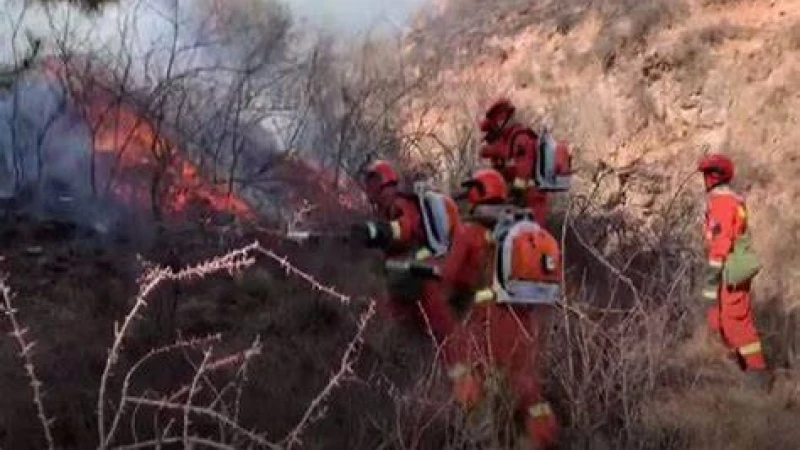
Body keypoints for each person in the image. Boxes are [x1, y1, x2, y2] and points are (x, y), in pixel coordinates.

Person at [409, 167, 561, 449]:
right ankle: (541, 438)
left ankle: (483, 441)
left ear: (479, 193)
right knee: (529, 391)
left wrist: (426, 272)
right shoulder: (516, 226)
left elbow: (449, 278)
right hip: (525, 324)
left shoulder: (470, 232)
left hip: (488, 324)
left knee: (469, 385)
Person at [348, 159, 465, 370]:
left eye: (371, 182)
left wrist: (375, 232)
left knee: (443, 337)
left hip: (426, 282)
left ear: (381, 183)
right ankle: (409, 373)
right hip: (407, 282)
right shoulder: (384, 208)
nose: (368, 189)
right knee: (403, 330)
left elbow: (402, 230)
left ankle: (460, 388)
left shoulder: (400, 204)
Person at [697, 153, 772, 390]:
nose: (707, 178)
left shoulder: (722, 204)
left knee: (735, 322)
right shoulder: (730, 201)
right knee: (721, 321)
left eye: (709, 174)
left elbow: (720, 246)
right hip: (730, 269)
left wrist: (710, 285)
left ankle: (757, 374)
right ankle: (741, 369)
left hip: (730, 272)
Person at [477, 97, 573, 227]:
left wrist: (515, 191)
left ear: (500, 122)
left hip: (532, 197)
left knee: (532, 235)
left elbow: (524, 171)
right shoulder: (510, 140)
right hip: (526, 197)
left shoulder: (520, 139)